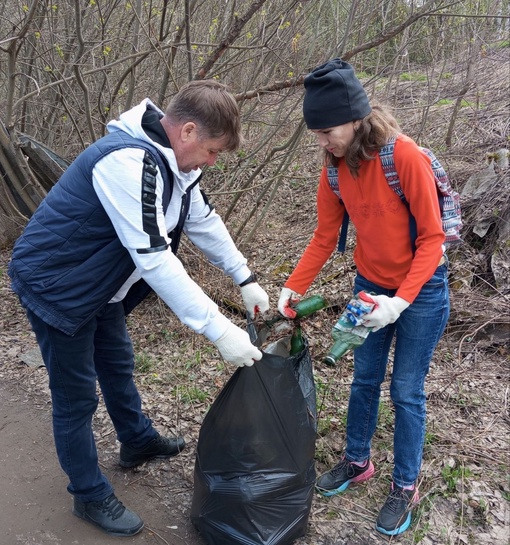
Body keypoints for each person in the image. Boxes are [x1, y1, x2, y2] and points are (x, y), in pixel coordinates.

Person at [8, 80, 270, 537]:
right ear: (187, 131)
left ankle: (136, 441)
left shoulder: (177, 165)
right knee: (76, 397)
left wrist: (243, 276)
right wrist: (220, 330)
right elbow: (153, 257)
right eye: (212, 150)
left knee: (117, 363)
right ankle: (88, 495)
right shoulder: (126, 162)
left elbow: (202, 219)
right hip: (59, 285)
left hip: (99, 285)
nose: (212, 161)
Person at [278, 59, 450, 536]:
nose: (321, 141)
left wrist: (401, 301)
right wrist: (294, 286)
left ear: (355, 118)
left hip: (423, 291)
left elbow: (432, 239)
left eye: (327, 130)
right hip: (369, 290)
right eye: (315, 133)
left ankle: (406, 485)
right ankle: (358, 462)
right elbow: (324, 234)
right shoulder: (334, 169)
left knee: (406, 390)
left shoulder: (404, 157)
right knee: (364, 380)